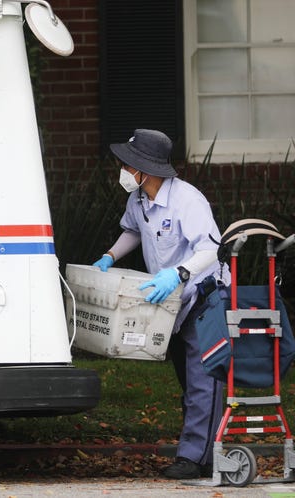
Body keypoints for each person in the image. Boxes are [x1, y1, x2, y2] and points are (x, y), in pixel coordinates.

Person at [92, 129, 230, 479]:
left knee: (205, 381)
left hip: (204, 294)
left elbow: (211, 249)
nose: (122, 169)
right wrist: (108, 257)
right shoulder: (138, 198)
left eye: (126, 164)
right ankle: (207, 455)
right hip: (174, 302)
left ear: (145, 168)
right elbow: (133, 231)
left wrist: (178, 274)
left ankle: (191, 458)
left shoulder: (187, 200)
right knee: (190, 381)